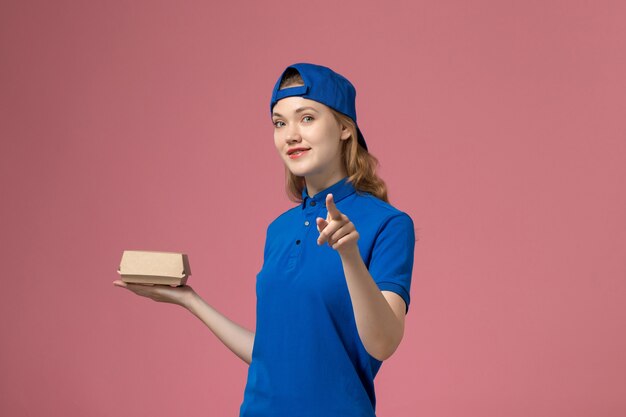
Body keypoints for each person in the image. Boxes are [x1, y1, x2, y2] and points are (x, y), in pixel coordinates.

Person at [113, 62, 416, 417]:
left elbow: (383, 343)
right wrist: (190, 301)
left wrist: (349, 254)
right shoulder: (278, 230)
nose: (290, 135)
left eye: (307, 118)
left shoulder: (389, 225)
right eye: (279, 122)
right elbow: (273, 355)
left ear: (345, 128)